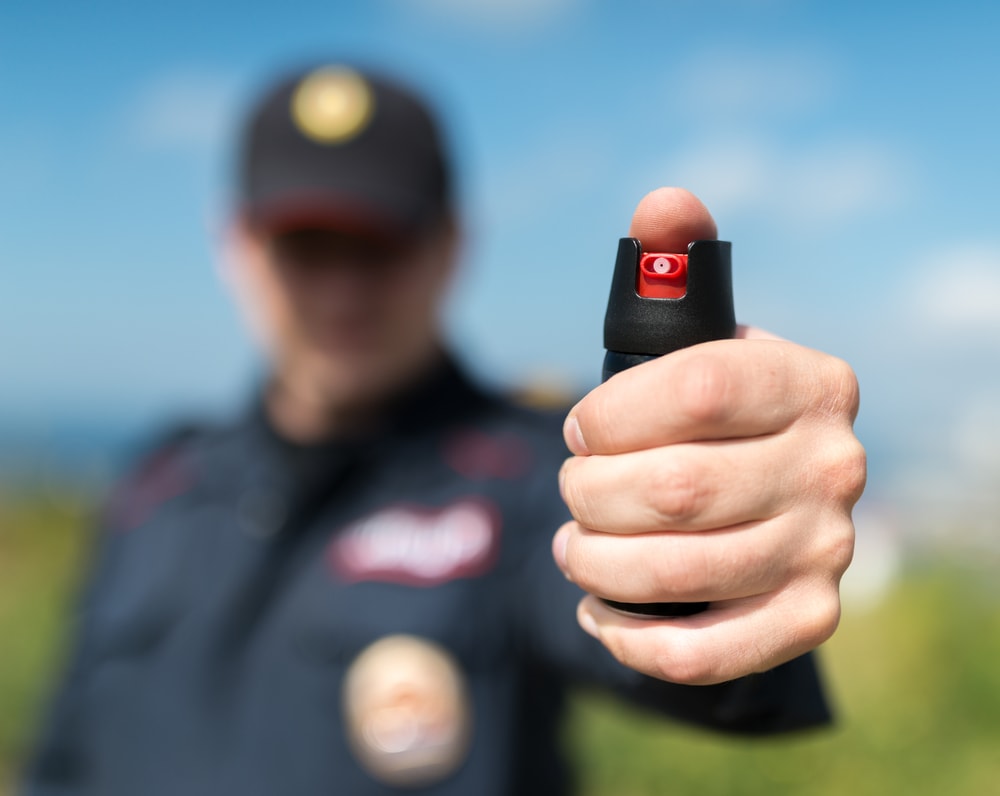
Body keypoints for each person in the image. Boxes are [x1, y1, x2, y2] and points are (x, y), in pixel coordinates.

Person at [23, 63, 864, 796]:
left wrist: (721, 548)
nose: (343, 290)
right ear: (235, 246)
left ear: (450, 245)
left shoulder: (535, 474)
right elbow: (61, 762)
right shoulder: (154, 487)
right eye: (306, 246)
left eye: (378, 245)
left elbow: (675, 619)